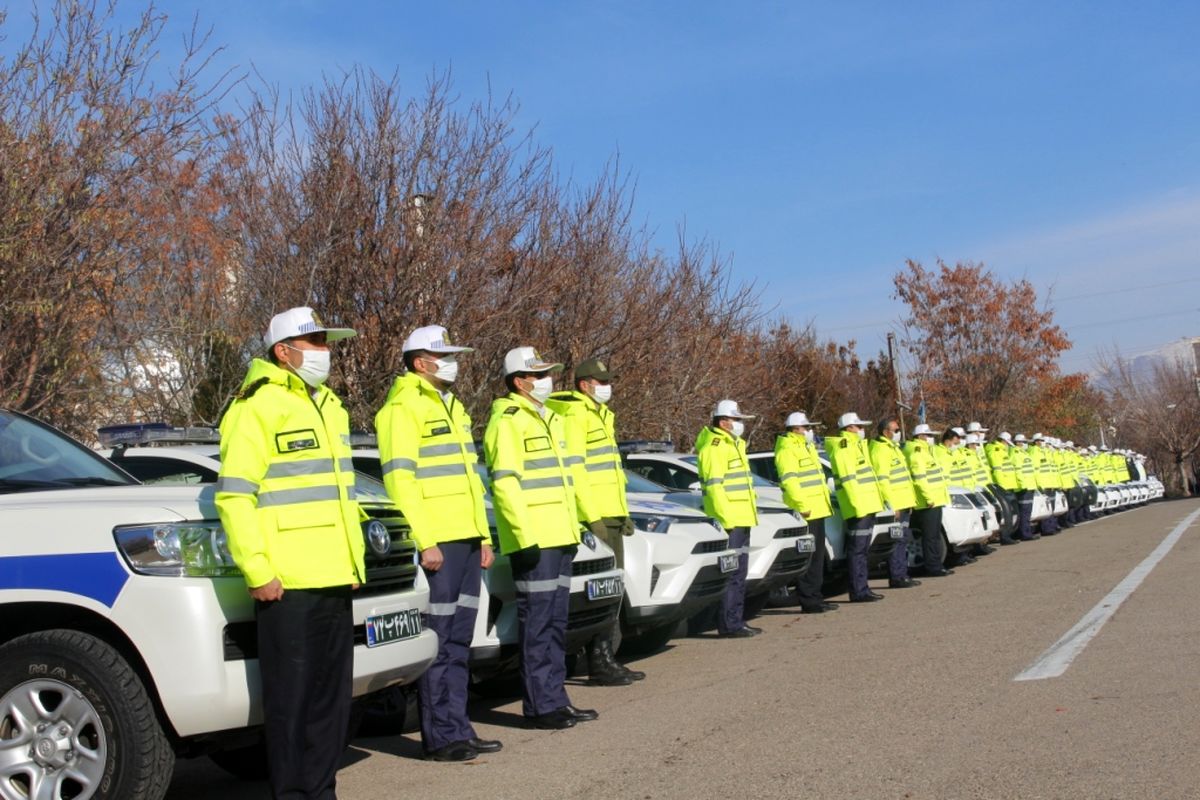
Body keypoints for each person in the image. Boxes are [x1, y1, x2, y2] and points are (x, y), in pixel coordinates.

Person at [215, 306, 365, 799]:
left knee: (331, 701)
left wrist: (353, 562)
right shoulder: (255, 405)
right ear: (285, 352)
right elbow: (235, 495)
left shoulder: (329, 406)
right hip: (287, 584)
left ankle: (321, 791)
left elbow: (341, 495)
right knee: (291, 703)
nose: (326, 352)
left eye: (326, 343)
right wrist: (258, 570)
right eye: (316, 343)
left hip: (334, 577)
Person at [375, 325, 500, 762]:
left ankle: (458, 726)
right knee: (441, 640)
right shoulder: (403, 407)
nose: (452, 362)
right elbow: (400, 480)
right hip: (439, 544)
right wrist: (425, 540)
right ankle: (442, 736)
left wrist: (483, 535)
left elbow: (469, 480)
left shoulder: (451, 406)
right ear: (419, 362)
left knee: (459, 640)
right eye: (443, 355)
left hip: (465, 537)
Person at [484, 346, 598, 730]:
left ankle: (556, 699)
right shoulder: (509, 421)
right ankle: (539, 707)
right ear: (520, 382)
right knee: (538, 625)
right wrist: (524, 537)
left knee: (556, 624)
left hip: (560, 536)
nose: (548, 379)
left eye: (548, 372)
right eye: (539, 374)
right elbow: (506, 486)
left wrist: (576, 525)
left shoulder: (549, 418)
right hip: (535, 542)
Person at [546, 358, 644, 685]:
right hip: (596, 516)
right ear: (585, 384)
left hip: (611, 512)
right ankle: (599, 661)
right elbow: (576, 470)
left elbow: (609, 472)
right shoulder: (575, 415)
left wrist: (622, 511)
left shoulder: (601, 414)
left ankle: (606, 657)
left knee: (612, 590)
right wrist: (592, 516)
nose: (607, 386)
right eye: (601, 382)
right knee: (599, 592)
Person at [696, 399, 761, 636]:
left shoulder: (734, 444)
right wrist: (726, 520)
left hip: (742, 518)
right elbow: (714, 487)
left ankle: (736, 619)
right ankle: (729, 624)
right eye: (737, 420)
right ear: (723, 422)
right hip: (730, 521)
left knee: (739, 574)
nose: (740, 424)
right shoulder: (715, 446)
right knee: (731, 575)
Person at [773, 412, 838, 613]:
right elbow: (790, 481)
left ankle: (815, 597)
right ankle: (809, 600)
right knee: (809, 557)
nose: (810, 431)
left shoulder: (806, 448)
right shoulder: (787, 449)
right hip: (807, 510)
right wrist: (802, 506)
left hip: (818, 508)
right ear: (795, 429)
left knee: (817, 557)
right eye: (806, 428)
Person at [825, 412, 886, 602]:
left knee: (862, 551)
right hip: (859, 508)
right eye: (859, 426)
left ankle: (863, 587)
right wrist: (858, 506)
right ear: (849, 428)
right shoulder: (844, 448)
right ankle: (858, 590)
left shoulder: (857, 446)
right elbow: (848, 480)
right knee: (857, 551)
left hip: (868, 505)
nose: (862, 430)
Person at [868, 418, 921, 589]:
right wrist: (891, 505)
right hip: (896, 505)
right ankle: (897, 576)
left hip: (905, 502)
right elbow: (883, 480)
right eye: (896, 430)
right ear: (885, 432)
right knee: (897, 541)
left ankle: (902, 573)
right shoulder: (880, 450)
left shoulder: (893, 448)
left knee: (903, 540)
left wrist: (910, 501)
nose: (899, 433)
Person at [903, 423, 954, 576]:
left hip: (936, 499)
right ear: (920, 437)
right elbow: (920, 478)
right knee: (930, 537)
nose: (932, 438)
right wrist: (929, 498)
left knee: (934, 535)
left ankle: (936, 564)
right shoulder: (917, 452)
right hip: (928, 502)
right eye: (929, 435)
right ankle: (933, 567)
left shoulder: (927, 451)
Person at [985, 431, 1020, 545]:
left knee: (1011, 512)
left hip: (1009, 485)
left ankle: (1008, 535)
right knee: (1006, 513)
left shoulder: (1002, 450)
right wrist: (1001, 486)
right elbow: (997, 470)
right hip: (1003, 486)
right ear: (1003, 441)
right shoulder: (995, 450)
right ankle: (1005, 537)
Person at [1010, 434, 1040, 540]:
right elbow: (1018, 471)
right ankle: (1025, 534)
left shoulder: (1023, 453)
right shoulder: (1016, 453)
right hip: (1024, 487)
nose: (1025, 444)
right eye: (1023, 442)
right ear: (1018, 442)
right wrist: (1022, 485)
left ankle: (1026, 532)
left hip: (1030, 485)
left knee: (1027, 511)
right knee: (1024, 512)